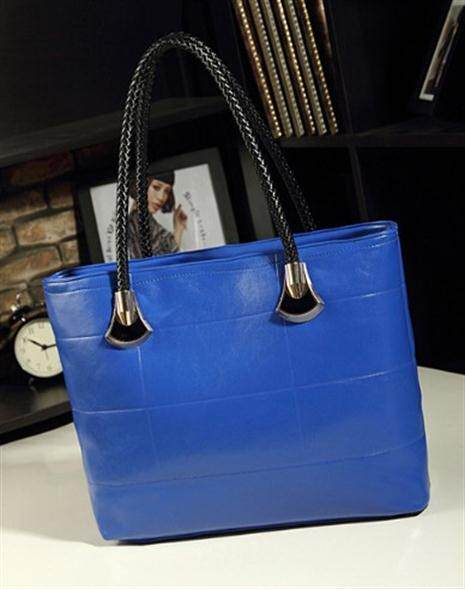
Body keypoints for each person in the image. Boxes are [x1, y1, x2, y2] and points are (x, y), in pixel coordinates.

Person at [127, 166, 187, 259]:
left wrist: (179, 228)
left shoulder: (146, 222)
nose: (161, 197)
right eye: (156, 187)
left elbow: (170, 258)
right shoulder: (137, 222)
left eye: (166, 191)